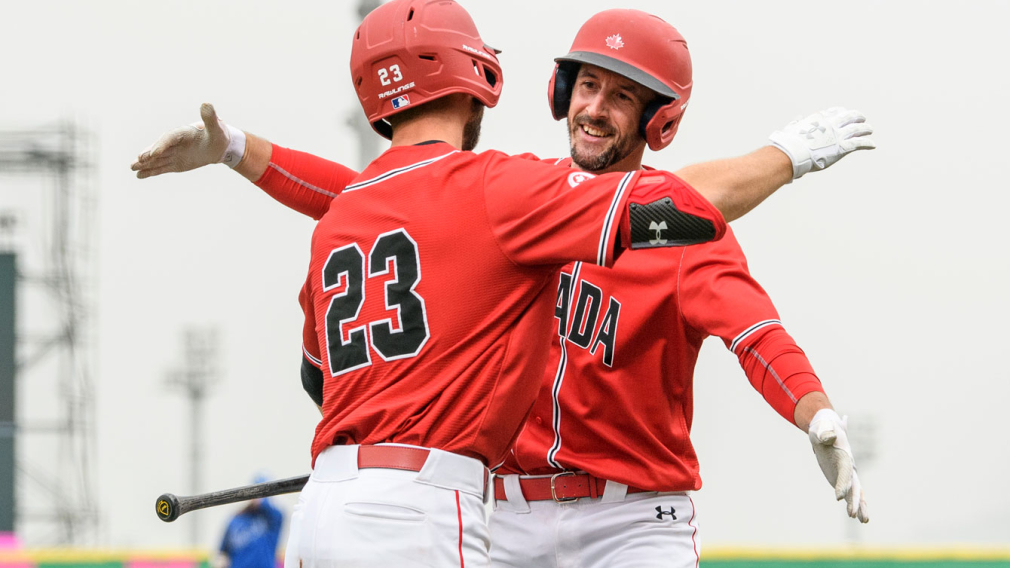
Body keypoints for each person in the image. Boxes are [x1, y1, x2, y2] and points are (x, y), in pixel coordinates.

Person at [132, 3, 873, 567]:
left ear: (659, 116)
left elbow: (754, 331)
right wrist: (784, 156)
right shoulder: (505, 191)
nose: (595, 105)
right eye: (588, 84)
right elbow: (384, 193)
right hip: (491, 511)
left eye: (621, 95)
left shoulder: (498, 201)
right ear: (555, 89)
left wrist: (814, 412)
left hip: (627, 522)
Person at [215, 474, 283, 568]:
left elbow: (277, 514)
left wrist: (263, 500)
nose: (258, 497)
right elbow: (223, 553)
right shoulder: (236, 520)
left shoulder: (272, 518)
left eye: (263, 493)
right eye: (256, 491)